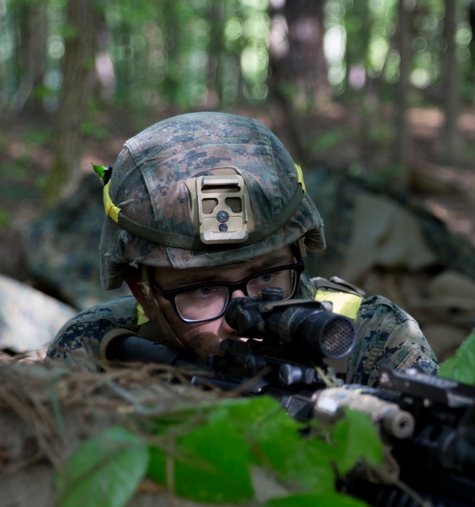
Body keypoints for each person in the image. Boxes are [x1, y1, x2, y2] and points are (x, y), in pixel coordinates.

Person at [46, 111, 439, 386]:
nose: (244, 316)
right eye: (204, 288)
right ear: (143, 292)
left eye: (267, 276)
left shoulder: (374, 339)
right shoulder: (96, 347)